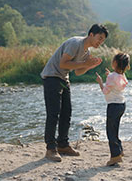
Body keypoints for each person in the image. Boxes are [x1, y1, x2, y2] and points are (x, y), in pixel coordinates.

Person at [40, 24, 108, 162]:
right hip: (52, 77)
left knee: (67, 113)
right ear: (91, 35)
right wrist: (84, 64)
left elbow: (77, 72)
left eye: (102, 41)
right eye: (99, 38)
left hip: (63, 79)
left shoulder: (86, 52)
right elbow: (63, 64)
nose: (100, 42)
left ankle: (63, 145)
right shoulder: (75, 43)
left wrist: (89, 65)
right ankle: (50, 149)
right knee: (53, 114)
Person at [95, 52, 129, 166]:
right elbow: (117, 82)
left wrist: (100, 82)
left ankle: (115, 156)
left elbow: (105, 91)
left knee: (111, 131)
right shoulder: (122, 75)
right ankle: (119, 150)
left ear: (115, 63)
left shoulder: (111, 77)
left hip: (113, 106)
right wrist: (110, 75)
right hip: (121, 105)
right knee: (115, 129)